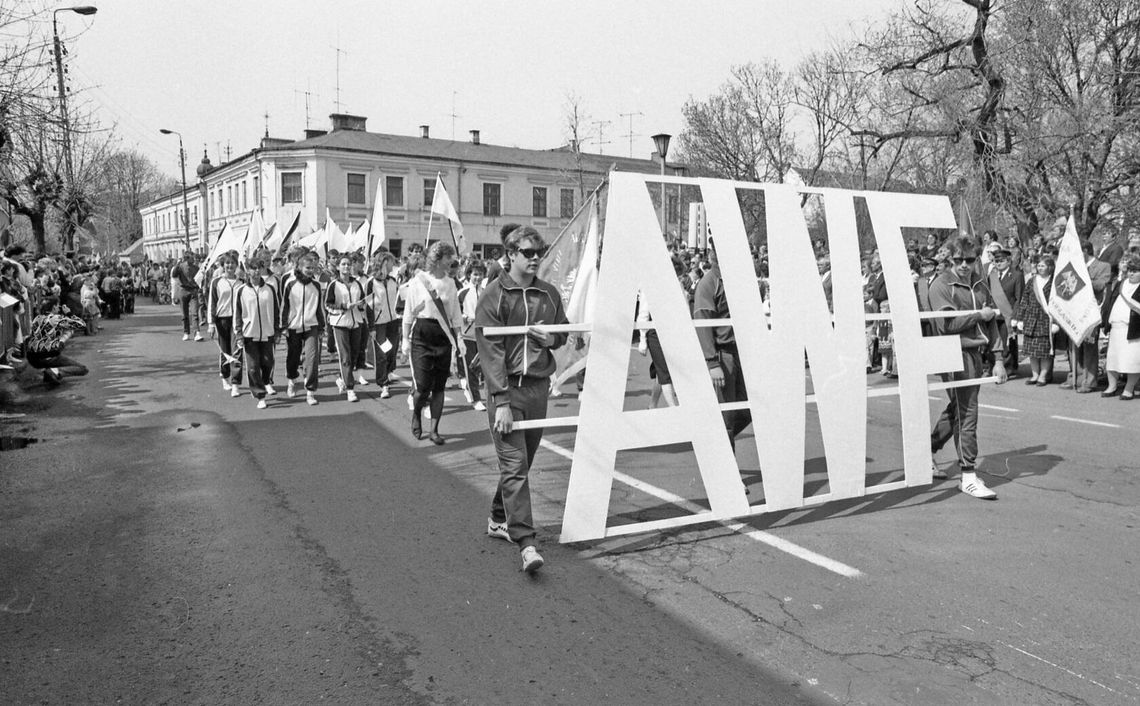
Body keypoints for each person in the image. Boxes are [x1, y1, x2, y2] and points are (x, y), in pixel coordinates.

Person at [474, 226, 568, 574]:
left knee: (522, 463)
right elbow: (490, 351)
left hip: (538, 388)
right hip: (507, 390)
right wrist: (500, 401)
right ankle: (527, 544)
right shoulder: (494, 294)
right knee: (514, 465)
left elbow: (564, 331)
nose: (534, 258)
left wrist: (552, 338)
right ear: (510, 253)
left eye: (538, 252)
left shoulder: (549, 294)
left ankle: (498, 518)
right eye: (527, 252)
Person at [928, 236, 1007, 499]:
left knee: (959, 409)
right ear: (949, 259)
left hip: (975, 353)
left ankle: (926, 449)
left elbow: (992, 323)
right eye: (958, 260)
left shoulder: (980, 284)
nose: (964, 265)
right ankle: (968, 475)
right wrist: (978, 315)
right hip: (951, 352)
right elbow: (946, 325)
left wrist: (998, 360)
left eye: (969, 260)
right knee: (968, 410)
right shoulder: (941, 285)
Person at [401, 241, 463, 443]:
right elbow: (409, 312)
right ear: (437, 259)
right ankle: (417, 413)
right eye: (448, 258)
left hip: (443, 337)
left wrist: (459, 339)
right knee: (422, 387)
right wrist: (405, 339)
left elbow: (455, 315)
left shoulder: (451, 283)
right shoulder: (419, 280)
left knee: (439, 387)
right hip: (422, 336)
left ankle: (434, 430)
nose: (451, 262)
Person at [694, 240, 751, 451]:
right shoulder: (709, 283)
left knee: (747, 409)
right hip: (722, 356)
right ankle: (730, 478)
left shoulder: (736, 279)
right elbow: (703, 323)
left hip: (739, 354)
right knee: (727, 417)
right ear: (713, 254)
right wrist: (711, 362)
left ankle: (713, 443)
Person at [1062, 240, 1112, 393]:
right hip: (1074, 310)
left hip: (1090, 311)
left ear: (1085, 251)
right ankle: (1076, 377)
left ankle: (1089, 381)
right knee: (1074, 345)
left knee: (1089, 346)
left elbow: (1101, 285)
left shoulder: (1103, 266)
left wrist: (1083, 277)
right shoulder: (1073, 267)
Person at [233, 259, 280, 409]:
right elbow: (238, 314)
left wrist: (277, 330)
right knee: (253, 367)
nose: (256, 271)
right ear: (248, 271)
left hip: (267, 333)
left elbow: (276, 310)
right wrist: (239, 334)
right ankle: (260, 395)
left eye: (259, 268)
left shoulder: (270, 289)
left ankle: (266, 382)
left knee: (268, 362)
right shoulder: (241, 291)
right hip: (249, 334)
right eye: (253, 269)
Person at [280, 253, 325, 406]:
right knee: (293, 358)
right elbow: (284, 306)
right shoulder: (290, 284)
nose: (310, 270)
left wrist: (321, 326)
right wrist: (283, 326)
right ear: (299, 267)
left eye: (313, 268)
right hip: (293, 326)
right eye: (307, 268)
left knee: (312, 359)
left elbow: (319, 308)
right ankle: (292, 380)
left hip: (311, 326)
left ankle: (310, 392)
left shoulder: (316, 285)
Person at [325, 254, 367, 403]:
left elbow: (363, 301)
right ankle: (350, 389)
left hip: (356, 322)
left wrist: (361, 305)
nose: (346, 267)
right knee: (345, 356)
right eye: (343, 264)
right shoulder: (334, 285)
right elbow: (328, 305)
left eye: (348, 264)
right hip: (340, 323)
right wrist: (343, 307)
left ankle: (341, 378)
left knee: (354, 355)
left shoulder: (357, 284)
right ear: (338, 267)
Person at [1011, 256, 1059, 386]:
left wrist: (1056, 322)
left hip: (1046, 320)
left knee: (1045, 352)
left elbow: (1059, 303)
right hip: (1031, 319)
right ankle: (1035, 375)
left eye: (1043, 266)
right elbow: (1024, 299)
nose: (1040, 268)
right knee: (1032, 351)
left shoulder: (1055, 282)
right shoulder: (1032, 281)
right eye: (1039, 266)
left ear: (1050, 267)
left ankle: (1043, 376)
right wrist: (1020, 318)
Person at [1100, 253, 1140, 399]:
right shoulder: (1121, 283)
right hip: (1116, 328)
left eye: (1135, 271)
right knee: (1113, 359)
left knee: (1131, 361)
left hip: (1133, 329)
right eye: (1130, 270)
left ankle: (1129, 389)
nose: (1131, 273)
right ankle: (1112, 386)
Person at [363, 251, 400, 399]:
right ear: (384, 262)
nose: (393, 265)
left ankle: (389, 372)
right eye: (391, 262)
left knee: (392, 350)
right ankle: (383, 384)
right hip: (379, 324)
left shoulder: (392, 281)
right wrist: (371, 327)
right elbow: (369, 306)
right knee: (382, 353)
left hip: (392, 321)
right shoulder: (371, 282)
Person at [207, 254, 244, 396]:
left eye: (233, 263)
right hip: (222, 320)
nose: (230, 266)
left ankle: (236, 383)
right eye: (227, 263)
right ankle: (225, 377)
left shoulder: (242, 282)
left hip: (237, 321)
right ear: (223, 265)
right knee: (225, 351)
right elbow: (212, 303)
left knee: (237, 351)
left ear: (237, 265)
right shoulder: (216, 282)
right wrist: (211, 323)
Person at [22, 312, 89, 385]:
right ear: (54, 308)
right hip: (49, 357)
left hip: (33, 360)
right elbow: (81, 324)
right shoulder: (55, 319)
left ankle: (49, 373)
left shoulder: (37, 320)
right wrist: (69, 314)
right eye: (57, 306)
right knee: (83, 369)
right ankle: (54, 372)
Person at [987, 247, 1023, 377]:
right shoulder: (992, 275)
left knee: (1007, 342)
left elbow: (1019, 297)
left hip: (1008, 314)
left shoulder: (1017, 275)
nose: (998, 263)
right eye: (996, 261)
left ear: (1008, 261)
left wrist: (1015, 315)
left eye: (1001, 260)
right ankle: (994, 366)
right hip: (994, 314)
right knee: (994, 342)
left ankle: (1009, 368)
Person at [458, 259, 487, 411]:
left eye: (481, 274)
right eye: (475, 274)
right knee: (470, 368)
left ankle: (472, 390)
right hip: (467, 335)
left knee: (481, 368)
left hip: (483, 336)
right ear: (469, 274)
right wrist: (464, 318)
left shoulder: (486, 292)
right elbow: (454, 314)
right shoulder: (462, 292)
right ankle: (476, 398)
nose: (478, 277)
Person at [171, 252, 204, 341]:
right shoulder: (181, 267)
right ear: (186, 258)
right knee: (184, 314)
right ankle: (186, 332)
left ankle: (197, 333)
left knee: (195, 312)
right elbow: (174, 275)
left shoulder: (196, 268)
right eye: (191, 258)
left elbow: (200, 279)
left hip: (193, 291)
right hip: (183, 290)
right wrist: (177, 265)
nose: (193, 259)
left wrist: (199, 287)